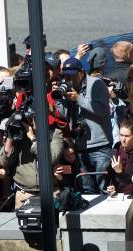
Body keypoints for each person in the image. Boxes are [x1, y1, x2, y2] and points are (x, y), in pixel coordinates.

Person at [54, 58, 113, 194]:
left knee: (103, 187)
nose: (69, 78)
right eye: (66, 75)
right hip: (80, 145)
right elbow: (65, 114)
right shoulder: (67, 86)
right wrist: (59, 100)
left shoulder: (96, 84)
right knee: (87, 189)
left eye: (72, 75)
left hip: (100, 146)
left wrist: (78, 99)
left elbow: (103, 110)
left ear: (81, 72)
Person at [0, 121, 64, 209]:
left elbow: (52, 158)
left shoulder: (54, 132)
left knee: (54, 222)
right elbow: (4, 161)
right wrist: (10, 136)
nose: (30, 120)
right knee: (23, 222)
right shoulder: (19, 133)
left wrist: (32, 138)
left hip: (51, 193)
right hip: (24, 194)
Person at [106, 119, 133, 197]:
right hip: (118, 195)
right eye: (121, 135)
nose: (123, 139)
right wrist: (112, 186)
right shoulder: (117, 148)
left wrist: (120, 172)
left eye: (127, 136)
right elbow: (112, 174)